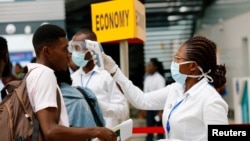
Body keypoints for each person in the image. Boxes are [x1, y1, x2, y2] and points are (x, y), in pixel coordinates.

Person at [101, 36, 229, 141]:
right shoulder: (176, 89)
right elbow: (142, 100)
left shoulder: (211, 101)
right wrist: (113, 69)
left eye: (178, 58)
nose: (173, 62)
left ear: (192, 66)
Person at [26, 24, 116, 141]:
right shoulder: (45, 75)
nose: (69, 55)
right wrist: (96, 131)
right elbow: (50, 130)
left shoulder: (31, 74)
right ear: (47, 51)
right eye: (65, 49)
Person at [70, 28, 129, 129]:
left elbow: (123, 111)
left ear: (92, 48)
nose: (75, 53)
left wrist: (99, 106)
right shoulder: (72, 78)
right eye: (73, 48)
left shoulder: (107, 75)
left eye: (79, 48)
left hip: (104, 136)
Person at [143, 58, 165, 141]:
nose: (147, 67)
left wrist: (160, 111)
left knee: (159, 130)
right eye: (147, 65)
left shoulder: (160, 79)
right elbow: (145, 94)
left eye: (149, 65)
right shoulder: (147, 79)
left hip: (157, 108)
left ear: (155, 67)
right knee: (149, 129)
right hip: (149, 107)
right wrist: (144, 108)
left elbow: (162, 96)